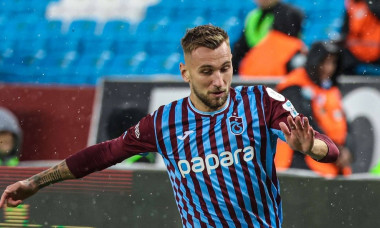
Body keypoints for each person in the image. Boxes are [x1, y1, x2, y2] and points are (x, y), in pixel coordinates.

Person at [0, 25, 339, 227]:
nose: (219, 81)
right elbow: (103, 154)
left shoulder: (262, 101)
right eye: (207, 72)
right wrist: (36, 182)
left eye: (225, 68)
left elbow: (331, 149)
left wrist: (312, 147)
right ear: (185, 73)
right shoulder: (164, 122)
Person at [275, 41, 353, 177]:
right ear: (314, 61)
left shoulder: (330, 89)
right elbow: (303, 123)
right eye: (324, 62)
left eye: (332, 63)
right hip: (298, 164)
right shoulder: (293, 87)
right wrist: (335, 150)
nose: (328, 68)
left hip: (329, 163)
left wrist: (346, 150)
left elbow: (345, 124)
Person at [232, 0, 306, 77]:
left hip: (279, 71)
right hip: (257, 69)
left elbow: (287, 47)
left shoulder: (288, 14)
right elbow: (240, 48)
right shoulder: (253, 17)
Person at [340, 0, 380, 75]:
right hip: (355, 51)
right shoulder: (351, 6)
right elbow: (345, 31)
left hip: (376, 50)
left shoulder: (373, 4)